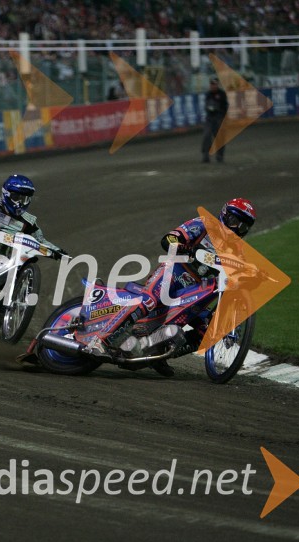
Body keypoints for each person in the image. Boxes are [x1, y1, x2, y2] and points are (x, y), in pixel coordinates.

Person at [106, 198, 257, 376]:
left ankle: (157, 353)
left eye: (243, 226)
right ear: (224, 214)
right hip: (173, 273)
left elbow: (241, 274)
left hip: (195, 292)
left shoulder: (237, 250)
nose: (237, 228)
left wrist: (254, 275)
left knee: (208, 330)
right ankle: (106, 336)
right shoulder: (205, 224)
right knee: (149, 300)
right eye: (234, 221)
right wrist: (180, 245)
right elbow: (169, 238)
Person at [201, 78, 228, 163]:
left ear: (217, 84)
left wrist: (220, 112)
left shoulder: (222, 94)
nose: (213, 86)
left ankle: (220, 156)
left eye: (215, 84)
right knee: (206, 136)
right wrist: (210, 108)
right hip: (209, 118)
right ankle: (205, 155)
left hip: (219, 118)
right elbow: (206, 105)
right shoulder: (208, 94)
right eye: (212, 84)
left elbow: (225, 106)